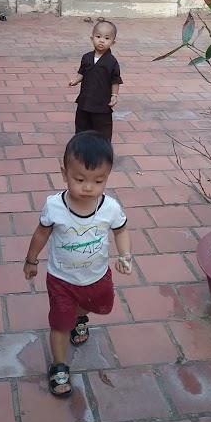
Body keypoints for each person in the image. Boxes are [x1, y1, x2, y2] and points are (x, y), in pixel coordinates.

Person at [23, 131, 133, 397]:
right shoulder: (54, 206)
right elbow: (41, 233)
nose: (88, 187)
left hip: (97, 277)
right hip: (61, 280)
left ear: (107, 177)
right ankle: (59, 365)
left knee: (90, 305)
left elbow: (121, 230)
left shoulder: (110, 208)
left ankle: (80, 317)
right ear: (65, 174)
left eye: (98, 181)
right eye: (80, 179)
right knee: (60, 323)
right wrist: (31, 259)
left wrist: (125, 254)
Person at [68, 20, 122, 143]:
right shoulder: (86, 57)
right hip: (85, 99)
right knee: (81, 124)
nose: (102, 41)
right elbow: (82, 72)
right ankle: (81, 145)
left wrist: (114, 95)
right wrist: (76, 80)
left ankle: (102, 148)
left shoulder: (112, 62)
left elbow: (115, 80)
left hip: (102, 103)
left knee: (102, 128)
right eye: (98, 37)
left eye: (107, 38)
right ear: (92, 38)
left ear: (113, 42)